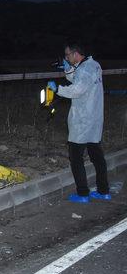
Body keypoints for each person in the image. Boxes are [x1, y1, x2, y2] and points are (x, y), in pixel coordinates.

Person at [48, 43, 110, 203]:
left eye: (68, 55)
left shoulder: (84, 69)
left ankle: (83, 194)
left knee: (76, 158)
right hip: (94, 119)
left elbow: (77, 90)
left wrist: (58, 90)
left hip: (83, 120)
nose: (66, 58)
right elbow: (79, 79)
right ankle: (104, 191)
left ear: (76, 54)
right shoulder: (93, 65)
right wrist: (68, 69)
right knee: (97, 156)